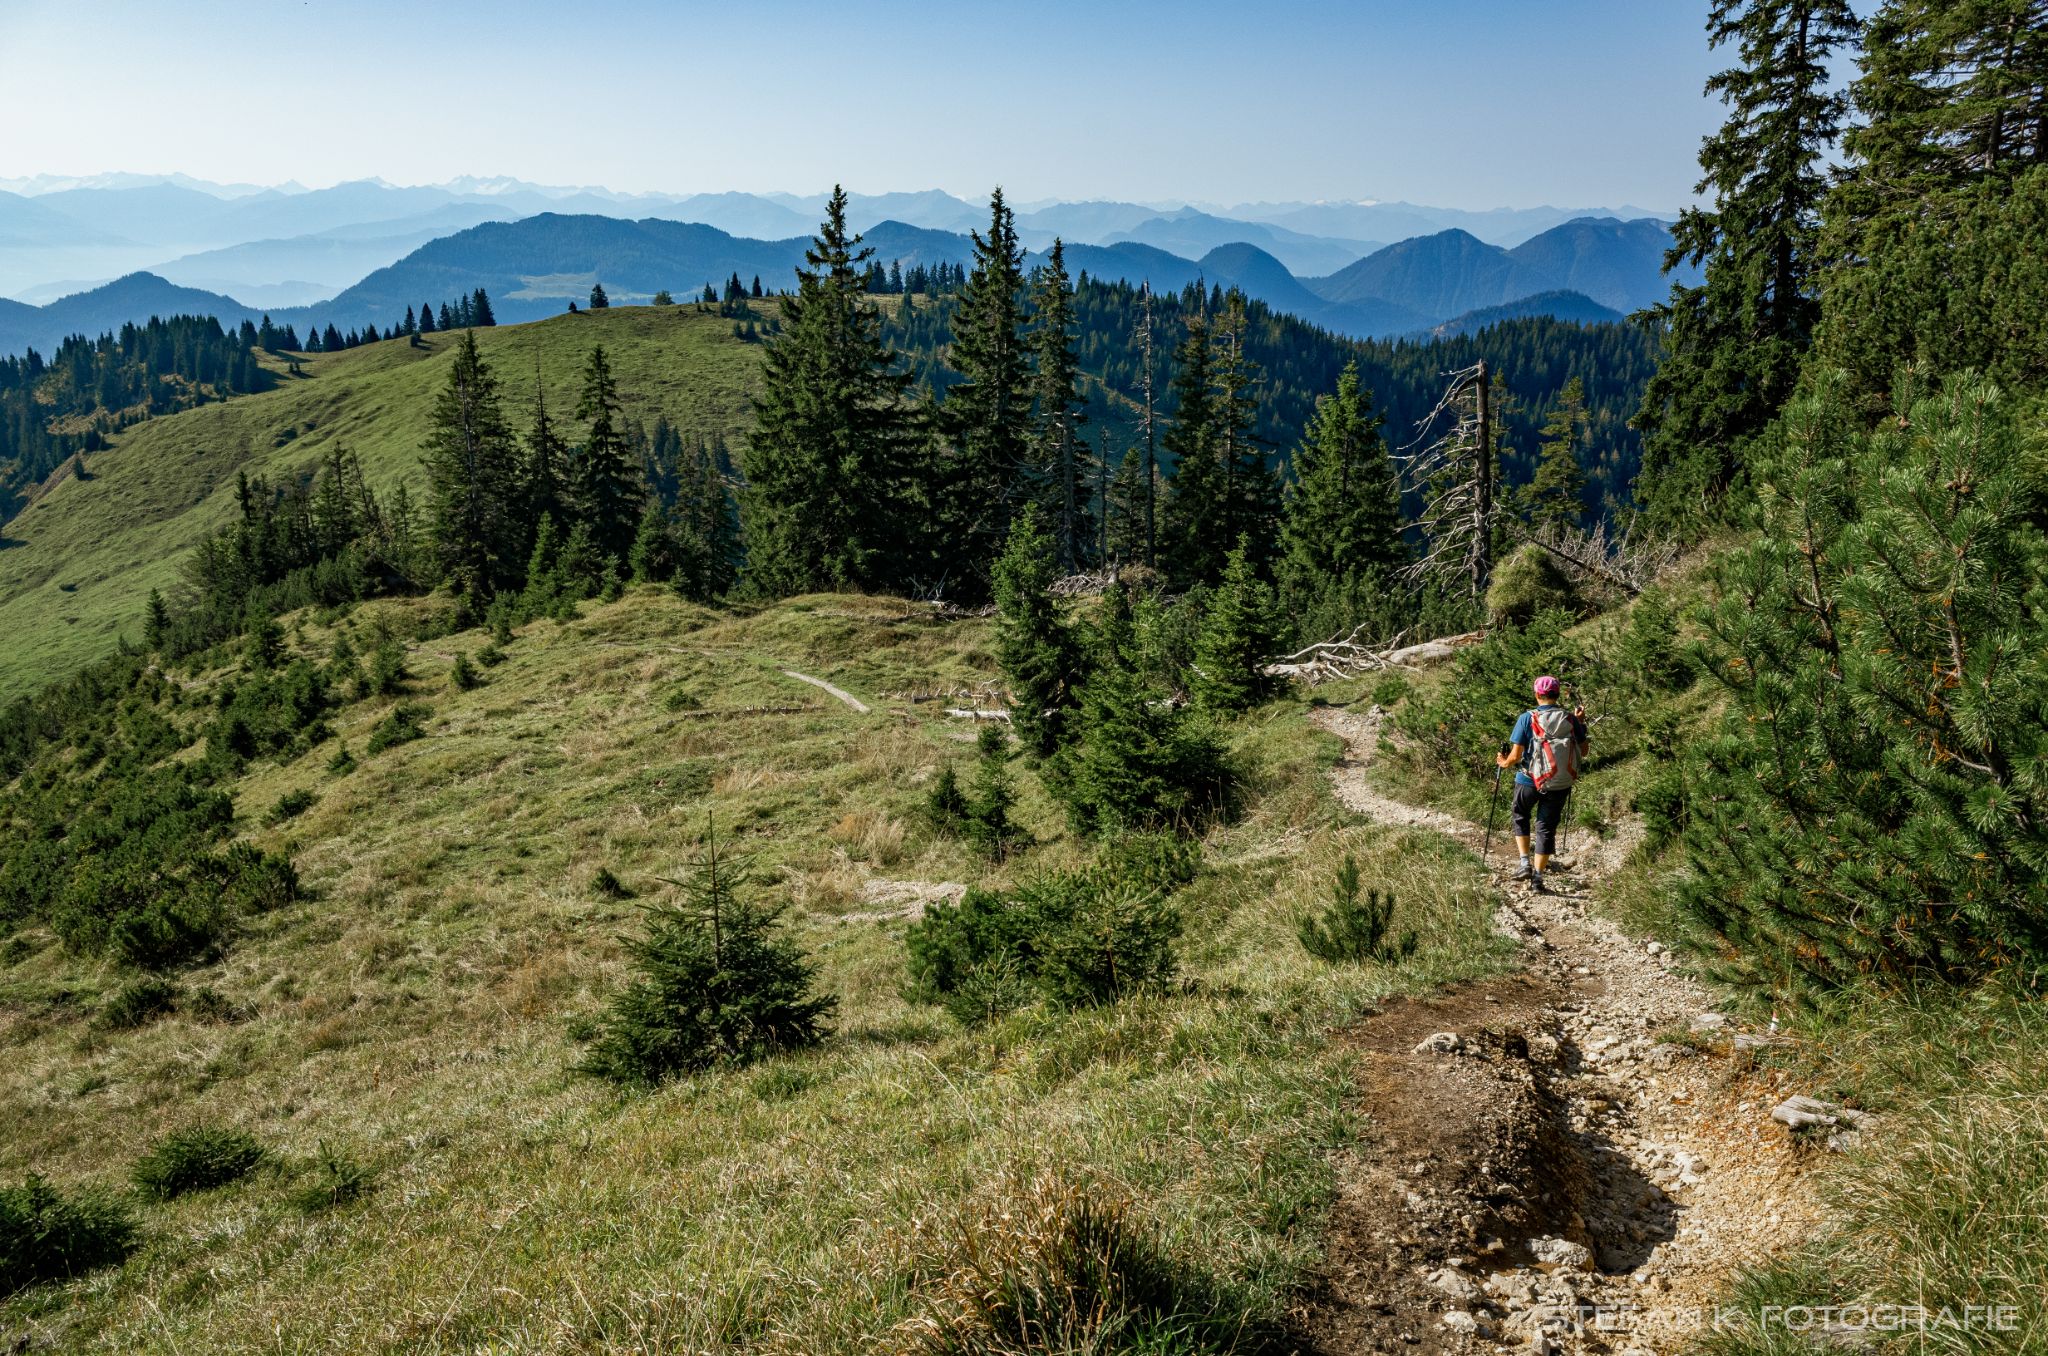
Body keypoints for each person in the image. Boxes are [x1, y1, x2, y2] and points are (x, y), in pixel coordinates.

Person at [1494, 675, 1588, 893]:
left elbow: (1516, 756)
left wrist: (1503, 762)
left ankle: (1524, 862)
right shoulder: (1570, 719)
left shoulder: (1527, 718)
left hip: (1529, 780)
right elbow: (1583, 751)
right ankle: (1538, 878)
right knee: (1545, 827)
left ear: (1537, 694)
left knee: (1520, 814)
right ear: (1556, 695)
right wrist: (1580, 723)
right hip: (1560, 782)